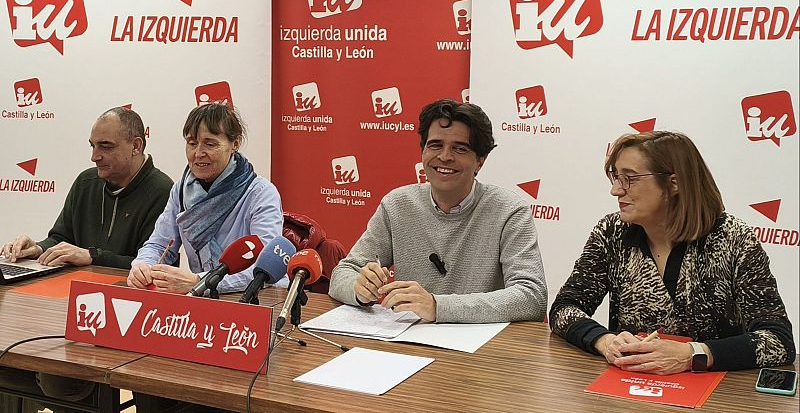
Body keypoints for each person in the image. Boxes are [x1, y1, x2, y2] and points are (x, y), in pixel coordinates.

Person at [549, 131, 796, 374]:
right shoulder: (612, 232)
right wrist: (604, 341)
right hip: (632, 387)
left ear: (674, 183)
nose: (616, 190)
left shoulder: (733, 238)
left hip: (717, 394)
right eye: (615, 177)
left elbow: (778, 340)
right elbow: (563, 309)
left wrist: (694, 354)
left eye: (630, 178)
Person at [0, 107, 173, 412]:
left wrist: (93, 256)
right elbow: (60, 236)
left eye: (105, 147)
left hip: (122, 317)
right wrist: (37, 248)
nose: (94, 156)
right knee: (10, 358)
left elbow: (155, 269)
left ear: (136, 146)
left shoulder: (163, 191)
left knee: (56, 380)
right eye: (92, 146)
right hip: (65, 309)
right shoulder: (85, 182)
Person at [328, 99, 547, 323]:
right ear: (423, 152)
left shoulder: (509, 211)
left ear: (480, 161)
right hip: (409, 342)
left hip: (482, 351)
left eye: (460, 148)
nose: (444, 156)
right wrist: (359, 288)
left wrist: (437, 306)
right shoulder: (397, 205)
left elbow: (532, 296)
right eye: (435, 145)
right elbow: (342, 274)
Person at [127, 102, 283, 294]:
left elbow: (264, 269)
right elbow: (159, 244)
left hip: (257, 297)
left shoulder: (261, 193)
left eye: (210, 144)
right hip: (203, 297)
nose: (198, 153)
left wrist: (200, 281)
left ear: (235, 143)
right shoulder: (182, 190)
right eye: (192, 143)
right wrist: (142, 266)